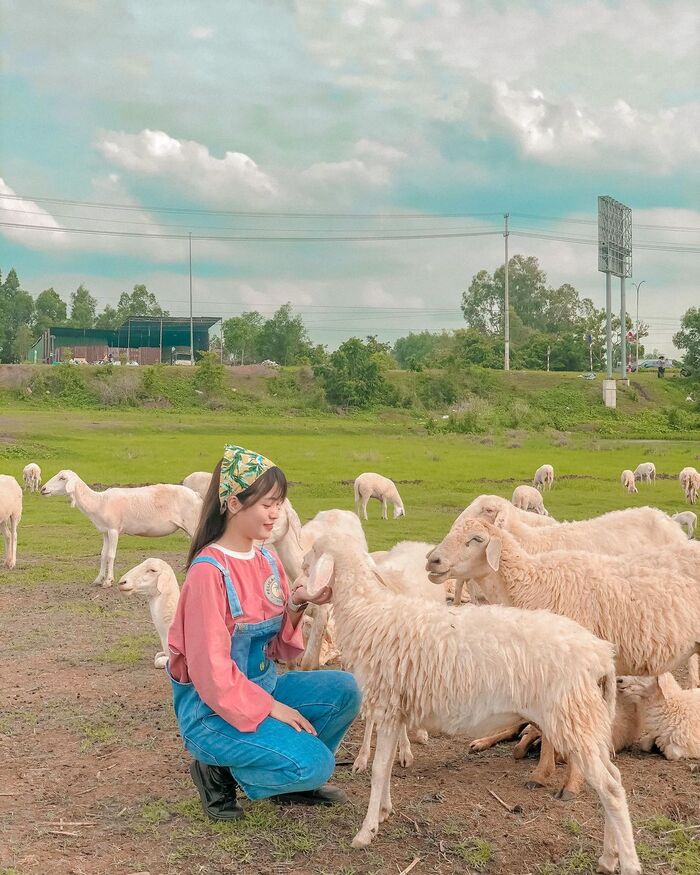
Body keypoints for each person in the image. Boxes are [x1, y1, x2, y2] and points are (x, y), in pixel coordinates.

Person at [167, 444, 361, 821]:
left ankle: (285, 775)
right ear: (234, 504)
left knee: (346, 689)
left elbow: (277, 650)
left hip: (260, 689)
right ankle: (217, 769)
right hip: (211, 712)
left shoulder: (266, 559)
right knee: (316, 765)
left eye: (280, 503)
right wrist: (274, 708)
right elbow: (210, 673)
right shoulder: (209, 573)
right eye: (267, 503)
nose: (276, 513)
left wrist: (296, 604)